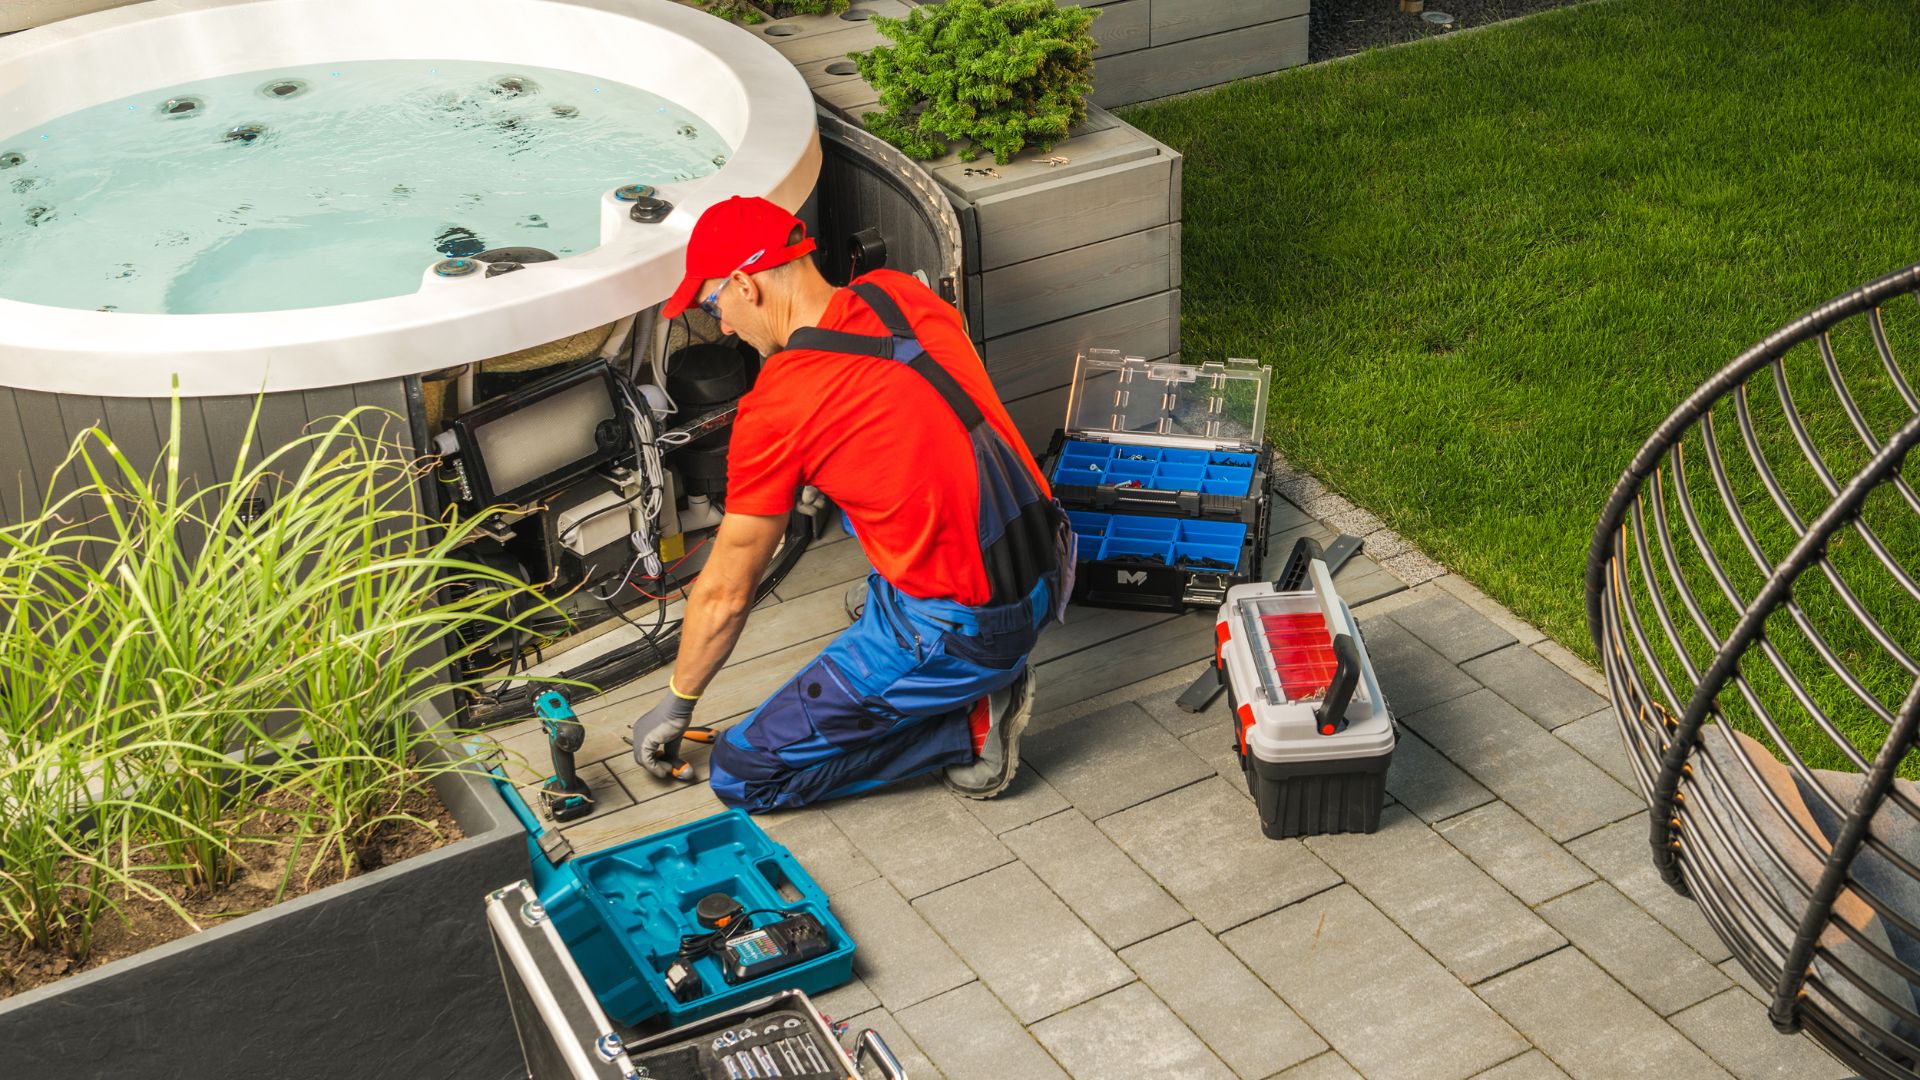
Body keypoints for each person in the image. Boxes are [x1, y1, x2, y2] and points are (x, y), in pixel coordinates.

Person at [629, 196, 1074, 812]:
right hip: (1046, 556)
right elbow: (927, 410)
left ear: (743, 285)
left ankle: (967, 727)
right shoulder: (897, 292)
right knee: (863, 529)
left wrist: (676, 702)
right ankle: (941, 660)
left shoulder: (780, 405)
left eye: (713, 306)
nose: (723, 326)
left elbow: (727, 592)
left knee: (742, 775)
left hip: (970, 627)